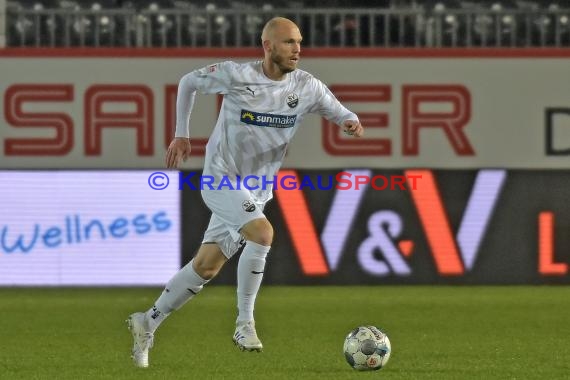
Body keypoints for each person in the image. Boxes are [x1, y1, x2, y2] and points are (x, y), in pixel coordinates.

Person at [126, 16, 364, 368]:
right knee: (263, 233)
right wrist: (181, 133)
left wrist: (350, 121)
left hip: (258, 190)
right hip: (220, 179)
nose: (297, 49)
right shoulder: (238, 75)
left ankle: (147, 321)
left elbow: (341, 111)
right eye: (288, 42)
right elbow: (189, 81)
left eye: (299, 41)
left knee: (206, 267)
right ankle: (244, 323)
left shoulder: (307, 86)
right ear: (268, 46)